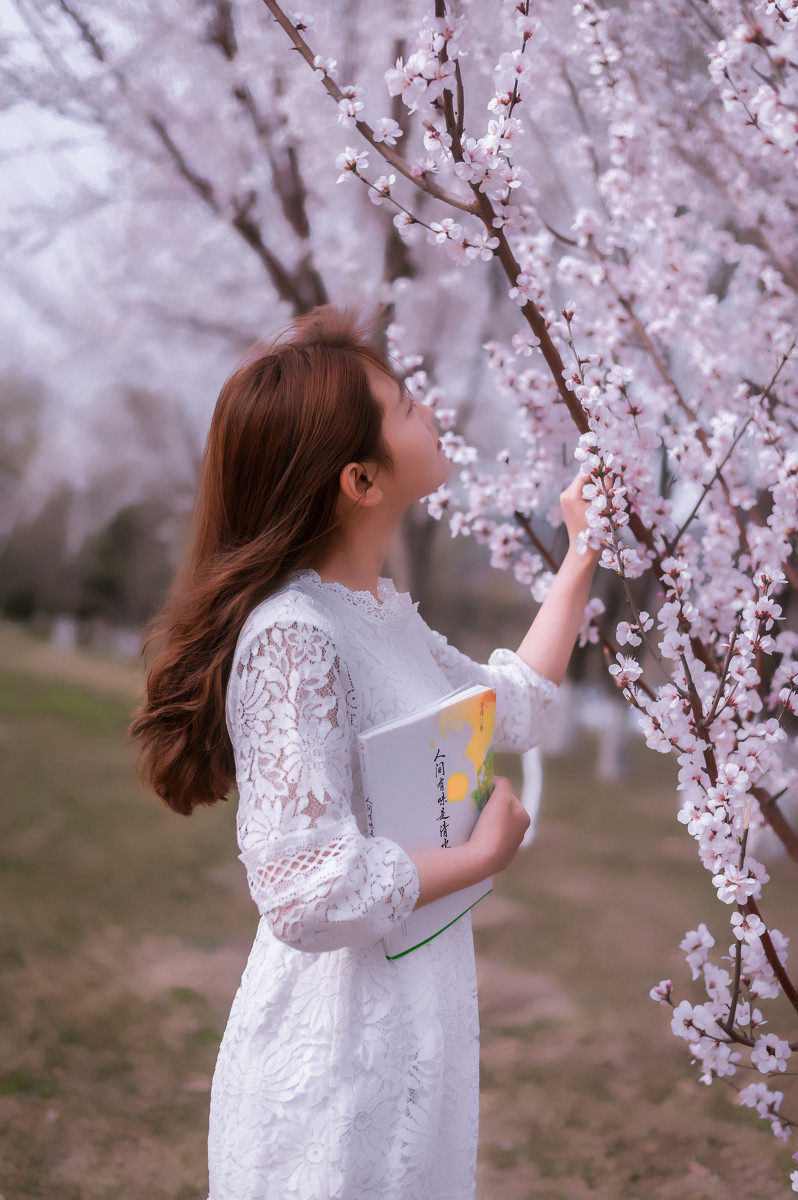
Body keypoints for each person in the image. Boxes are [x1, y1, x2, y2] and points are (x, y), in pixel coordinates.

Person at [130, 306, 600, 1200]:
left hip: (417, 1020)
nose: (426, 405)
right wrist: (478, 859)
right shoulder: (294, 637)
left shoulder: (383, 617)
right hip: (337, 1048)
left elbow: (518, 711)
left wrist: (582, 553)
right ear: (360, 478)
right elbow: (307, 889)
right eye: (401, 403)